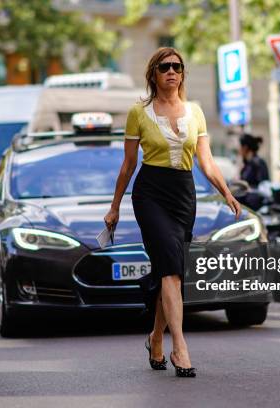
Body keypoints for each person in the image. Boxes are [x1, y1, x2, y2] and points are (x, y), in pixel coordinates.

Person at [104, 47, 241, 378]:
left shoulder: (195, 111)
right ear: (153, 74)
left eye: (177, 67)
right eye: (164, 67)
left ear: (182, 74)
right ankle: (180, 347)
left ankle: (155, 337)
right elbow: (128, 165)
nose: (171, 72)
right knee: (170, 269)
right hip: (150, 193)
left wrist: (226, 192)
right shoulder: (139, 112)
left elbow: (206, 161)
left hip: (184, 194)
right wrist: (115, 206)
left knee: (173, 271)